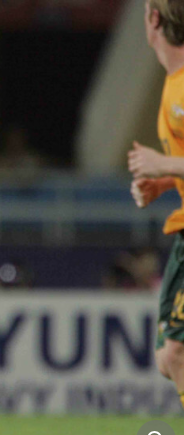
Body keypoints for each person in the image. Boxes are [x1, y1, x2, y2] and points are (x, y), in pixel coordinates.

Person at [128, 0, 184, 411]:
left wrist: (163, 164)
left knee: (176, 353)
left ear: (153, 19)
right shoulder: (173, 82)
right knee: (169, 357)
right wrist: (165, 182)